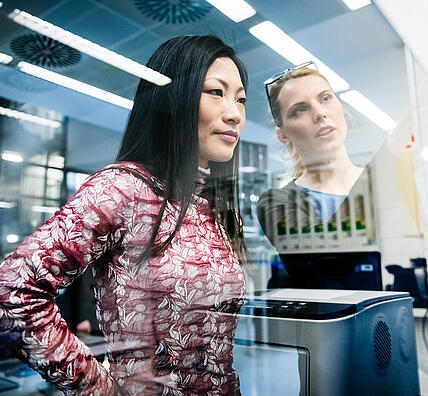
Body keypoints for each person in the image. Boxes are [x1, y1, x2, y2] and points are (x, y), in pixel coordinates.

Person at [0, 35, 248, 395]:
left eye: (240, 98)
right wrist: (97, 387)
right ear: (172, 100)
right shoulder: (122, 189)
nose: (235, 112)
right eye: (215, 92)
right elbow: (13, 291)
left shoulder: (220, 209)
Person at [256, 63, 364, 245]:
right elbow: (327, 262)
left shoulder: (385, 180)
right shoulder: (277, 203)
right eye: (300, 109)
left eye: (325, 99)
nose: (320, 113)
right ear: (284, 135)